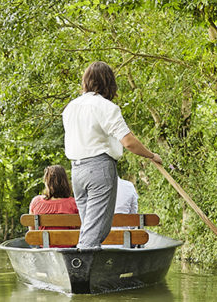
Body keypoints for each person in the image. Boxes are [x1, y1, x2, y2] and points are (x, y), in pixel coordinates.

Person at [62, 62, 162, 250]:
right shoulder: (106, 107)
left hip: (77, 171)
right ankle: (80, 272)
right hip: (99, 168)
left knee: (89, 227)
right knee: (96, 230)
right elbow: (128, 141)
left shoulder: (70, 108)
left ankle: (87, 270)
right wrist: (151, 155)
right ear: (109, 83)